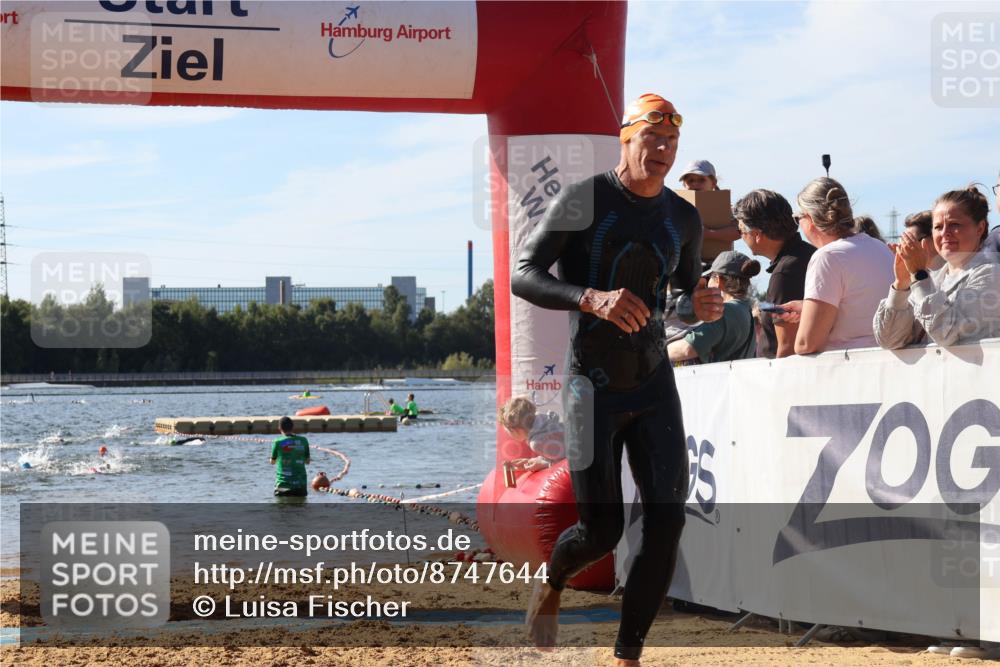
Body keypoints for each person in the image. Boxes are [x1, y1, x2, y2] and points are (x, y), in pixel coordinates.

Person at [511, 92, 724, 664]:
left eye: (672, 143)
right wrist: (589, 296)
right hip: (591, 386)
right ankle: (552, 582)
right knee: (600, 531)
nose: (662, 151)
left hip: (653, 382)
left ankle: (628, 653)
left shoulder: (682, 215)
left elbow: (677, 297)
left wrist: (697, 305)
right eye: (651, 139)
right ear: (626, 140)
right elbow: (523, 274)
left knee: (667, 518)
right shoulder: (587, 199)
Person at [874, 185, 1000, 348]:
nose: (945, 233)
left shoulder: (991, 274)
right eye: (938, 227)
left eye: (955, 224)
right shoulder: (934, 278)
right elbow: (889, 340)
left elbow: (947, 334)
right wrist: (901, 285)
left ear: (980, 228)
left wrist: (919, 274)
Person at [778, 177, 894, 353]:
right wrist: (809, 308)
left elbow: (806, 344)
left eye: (798, 218)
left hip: (848, 370)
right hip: (891, 363)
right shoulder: (879, 247)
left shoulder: (827, 257)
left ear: (809, 219)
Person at [733, 189, 816, 358]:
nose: (741, 236)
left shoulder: (785, 272)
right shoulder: (809, 254)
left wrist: (776, 383)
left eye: (741, 231)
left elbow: (787, 347)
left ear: (756, 234)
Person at [667, 251, 760, 363]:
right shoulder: (745, 309)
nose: (707, 283)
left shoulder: (724, 312)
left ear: (717, 280)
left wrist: (657, 352)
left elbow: (687, 349)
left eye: (709, 277)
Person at [678, 159, 740, 244]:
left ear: (713, 183)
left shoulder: (724, 207)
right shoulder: (675, 206)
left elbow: (740, 232)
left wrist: (708, 234)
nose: (695, 184)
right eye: (690, 180)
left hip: (716, 256)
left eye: (701, 180)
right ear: (684, 184)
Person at [498, 396, 566, 472]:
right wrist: (533, 461)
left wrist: (544, 464)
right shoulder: (545, 423)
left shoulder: (537, 442)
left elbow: (568, 462)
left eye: (508, 430)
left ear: (517, 430)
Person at [270, 416, 310, 497]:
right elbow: (307, 462)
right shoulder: (303, 440)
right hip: (300, 487)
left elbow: (272, 462)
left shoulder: (277, 442)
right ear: (292, 427)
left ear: (279, 428)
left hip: (282, 487)